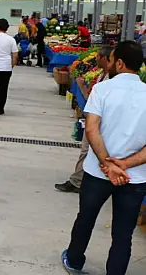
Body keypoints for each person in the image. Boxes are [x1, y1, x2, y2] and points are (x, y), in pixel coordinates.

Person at [61, 41, 146, 275]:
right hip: (134, 177)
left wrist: (107, 163)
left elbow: (91, 129)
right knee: (123, 232)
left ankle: (75, 261)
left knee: (86, 218)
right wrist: (125, 165)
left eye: (110, 60)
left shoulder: (102, 89)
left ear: (118, 62)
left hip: (98, 172)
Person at [55, 46, 115, 194]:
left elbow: (94, 100)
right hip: (96, 119)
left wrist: (82, 86)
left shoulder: (109, 81)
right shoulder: (103, 75)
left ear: (107, 59)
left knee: (87, 150)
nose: (96, 58)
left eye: (99, 56)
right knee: (87, 151)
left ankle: (78, 182)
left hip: (98, 121)